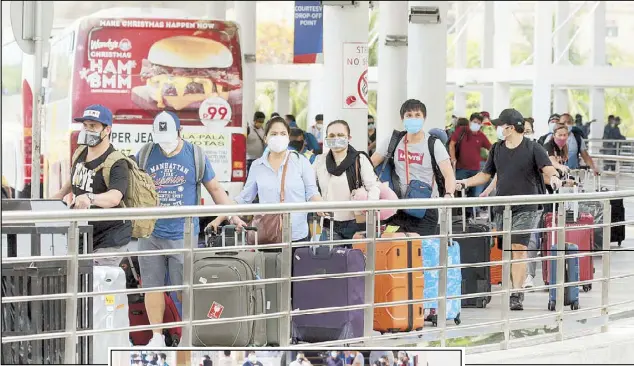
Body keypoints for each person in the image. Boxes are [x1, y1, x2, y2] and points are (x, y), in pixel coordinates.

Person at [136, 111, 246, 347]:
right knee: (152, 288)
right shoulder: (145, 154)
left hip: (182, 234)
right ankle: (156, 337)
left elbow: (215, 190)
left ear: (179, 132)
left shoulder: (195, 155)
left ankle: (188, 336)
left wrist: (232, 215)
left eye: (169, 135)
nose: (164, 141)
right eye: (160, 136)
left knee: (185, 289)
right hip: (150, 233)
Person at [456, 108, 562, 311]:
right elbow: (486, 175)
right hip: (502, 208)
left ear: (510, 128)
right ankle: (513, 285)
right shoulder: (497, 149)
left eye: (500, 125)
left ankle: (516, 293)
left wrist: (555, 176)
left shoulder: (533, 148)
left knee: (518, 249)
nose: (498, 129)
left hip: (527, 207)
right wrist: (465, 183)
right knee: (508, 251)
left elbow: (547, 168)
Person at [209, 117, 322, 243]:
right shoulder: (257, 165)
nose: (278, 137)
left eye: (283, 134)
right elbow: (244, 198)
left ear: (288, 137)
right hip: (268, 235)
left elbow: (312, 192)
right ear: (266, 138)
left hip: (297, 235)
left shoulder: (301, 161)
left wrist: (321, 206)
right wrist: (219, 218)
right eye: (274, 134)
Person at [52, 104, 132, 266]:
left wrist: (90, 198)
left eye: (93, 126)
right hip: (83, 234)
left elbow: (114, 198)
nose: (88, 130)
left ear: (107, 130)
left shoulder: (117, 162)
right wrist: (59, 194)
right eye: (85, 126)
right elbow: (76, 176)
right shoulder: (81, 152)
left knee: (98, 284)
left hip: (109, 239)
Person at [371, 99, 456, 237]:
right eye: (409, 115)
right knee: (392, 247)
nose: (413, 119)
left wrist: (449, 194)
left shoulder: (433, 144)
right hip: (397, 208)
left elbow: (448, 174)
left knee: (419, 251)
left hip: (425, 209)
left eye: (417, 115)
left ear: (424, 118)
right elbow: (371, 164)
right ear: (402, 119)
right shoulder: (393, 141)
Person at [314, 120, 380, 243]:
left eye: (340, 135)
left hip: (356, 224)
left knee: (356, 260)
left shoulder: (359, 159)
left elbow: (373, 187)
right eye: (332, 136)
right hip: (329, 224)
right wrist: (316, 203)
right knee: (333, 260)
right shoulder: (320, 161)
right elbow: (311, 186)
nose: (336, 138)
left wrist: (369, 212)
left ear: (349, 137)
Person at [449, 112, 491, 217]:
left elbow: (491, 148)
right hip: (461, 168)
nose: (476, 124)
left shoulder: (481, 136)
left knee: (473, 194)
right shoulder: (462, 130)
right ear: (470, 122)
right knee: (455, 187)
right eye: (474, 122)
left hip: (475, 170)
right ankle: (455, 211)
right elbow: (452, 144)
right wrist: (453, 158)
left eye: (478, 123)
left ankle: (469, 215)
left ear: (481, 124)